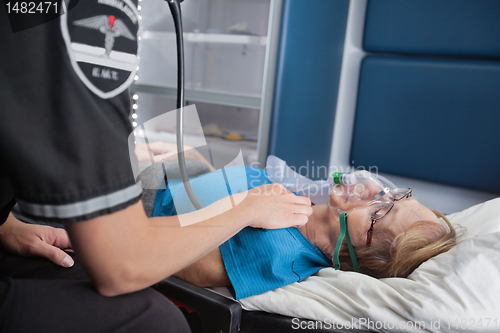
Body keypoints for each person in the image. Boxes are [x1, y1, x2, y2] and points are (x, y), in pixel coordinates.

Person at [0, 2, 313, 332]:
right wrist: (247, 208)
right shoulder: (91, 20)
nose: (366, 191)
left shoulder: (291, 254)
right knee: (159, 323)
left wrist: (5, 226)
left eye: (376, 208)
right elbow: (122, 264)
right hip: (131, 219)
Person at [150, 165, 459, 300]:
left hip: (137, 209)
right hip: (157, 175)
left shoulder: (281, 256)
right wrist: (196, 167)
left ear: (360, 256)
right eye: (395, 194)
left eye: (378, 213)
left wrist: (247, 209)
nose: (375, 190)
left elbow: (181, 264)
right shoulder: (299, 202)